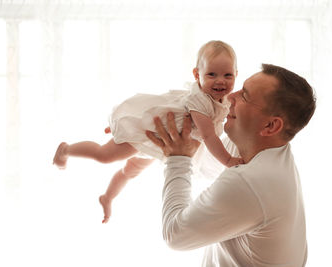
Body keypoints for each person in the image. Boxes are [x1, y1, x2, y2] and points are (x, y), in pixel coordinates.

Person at [53, 40, 243, 223]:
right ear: (196, 74)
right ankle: (66, 150)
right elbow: (209, 136)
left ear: (236, 74)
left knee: (132, 170)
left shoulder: (222, 99)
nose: (221, 81)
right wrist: (228, 160)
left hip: (161, 142)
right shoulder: (200, 101)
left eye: (228, 75)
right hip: (148, 133)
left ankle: (107, 197)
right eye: (211, 74)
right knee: (105, 155)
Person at [146, 63, 316, 267]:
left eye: (244, 95)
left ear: (271, 126)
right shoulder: (266, 151)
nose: (230, 96)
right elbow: (200, 163)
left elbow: (175, 235)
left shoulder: (251, 181)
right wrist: (136, 132)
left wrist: (177, 159)